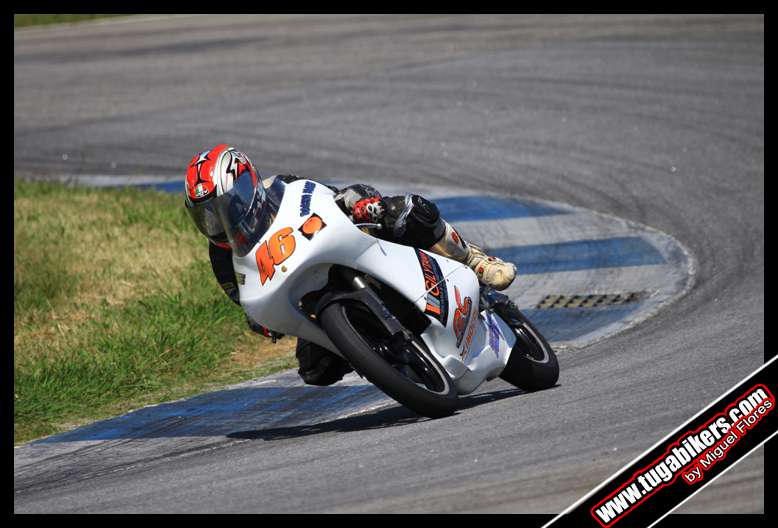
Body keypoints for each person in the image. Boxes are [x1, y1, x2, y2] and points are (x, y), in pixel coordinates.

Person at [184, 144, 517, 386]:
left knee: (408, 212)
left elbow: (331, 196)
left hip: (353, 243)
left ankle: (473, 259)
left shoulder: (279, 188)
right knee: (315, 371)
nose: (219, 219)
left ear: (248, 185)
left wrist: (362, 205)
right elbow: (244, 301)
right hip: (312, 296)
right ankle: (384, 358)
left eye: (226, 205)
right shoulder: (221, 257)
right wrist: (264, 323)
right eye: (207, 214)